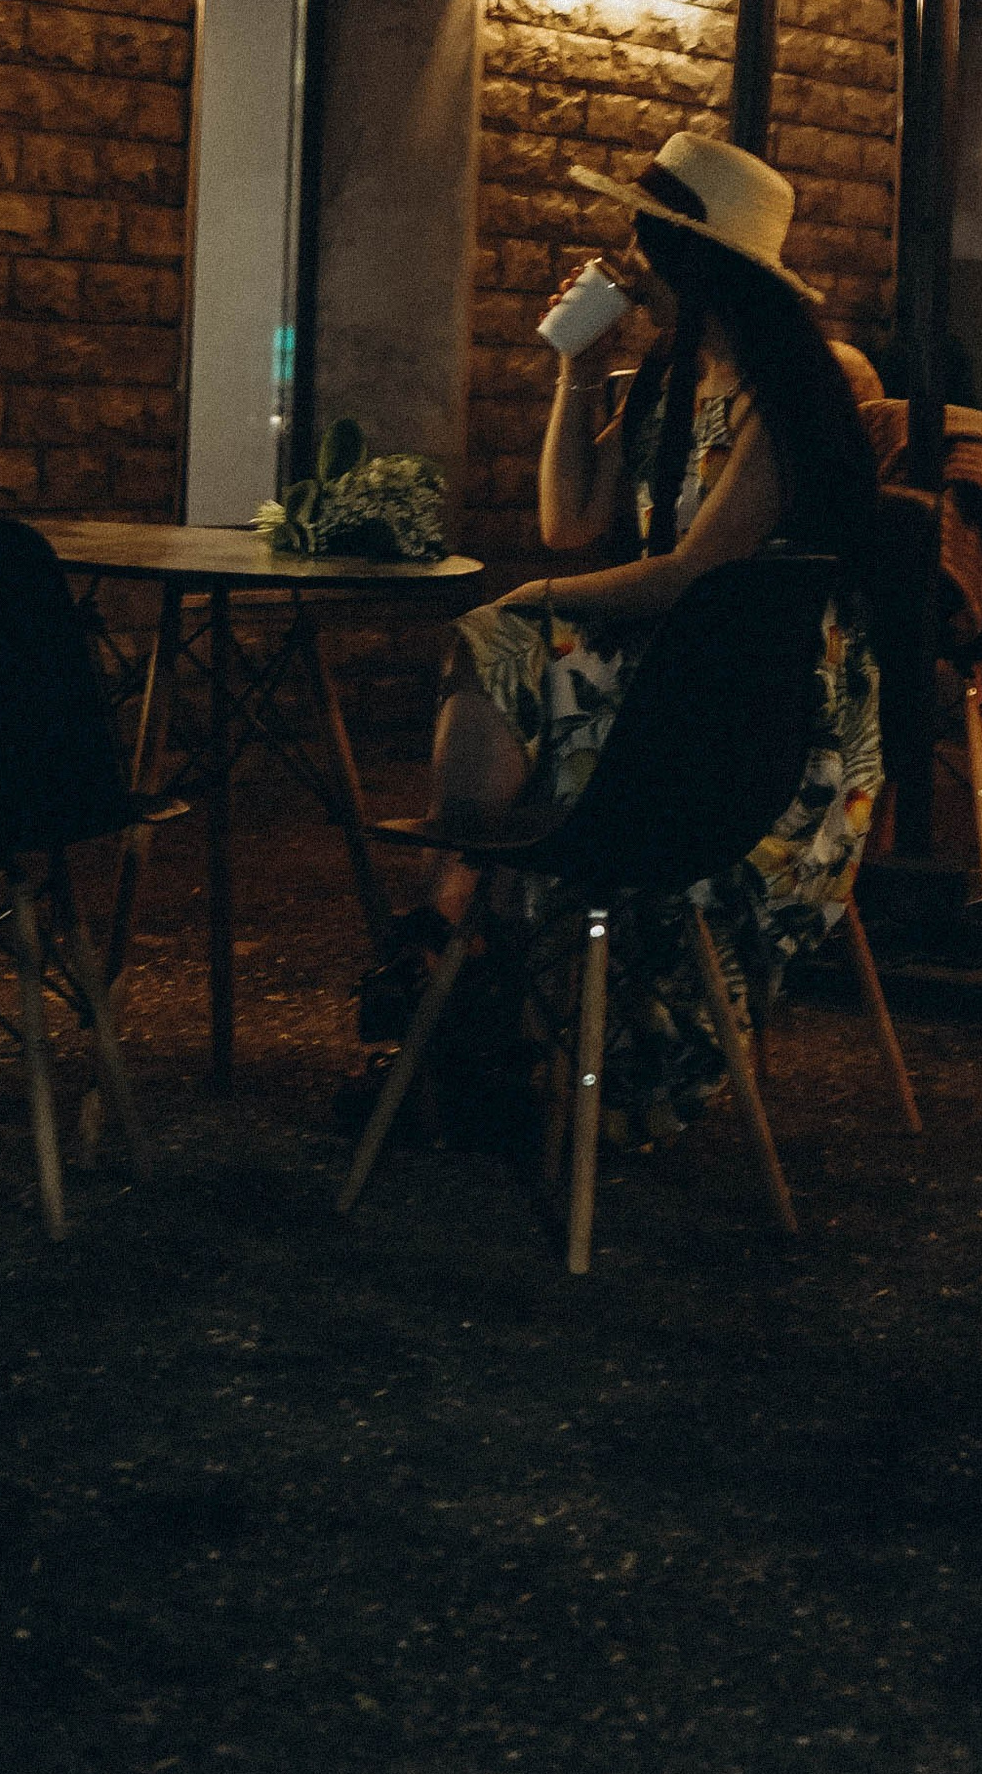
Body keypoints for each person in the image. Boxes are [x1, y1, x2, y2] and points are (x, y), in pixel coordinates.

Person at [377, 132, 884, 1143]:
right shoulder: (673, 380)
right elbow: (567, 521)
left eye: (644, 245)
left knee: (505, 639)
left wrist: (537, 602)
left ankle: (450, 939)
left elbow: (694, 575)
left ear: (696, 264)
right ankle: (452, 932)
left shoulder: (780, 401)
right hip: (665, 668)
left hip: (759, 702)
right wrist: (576, 370)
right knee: (502, 651)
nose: (628, 266)